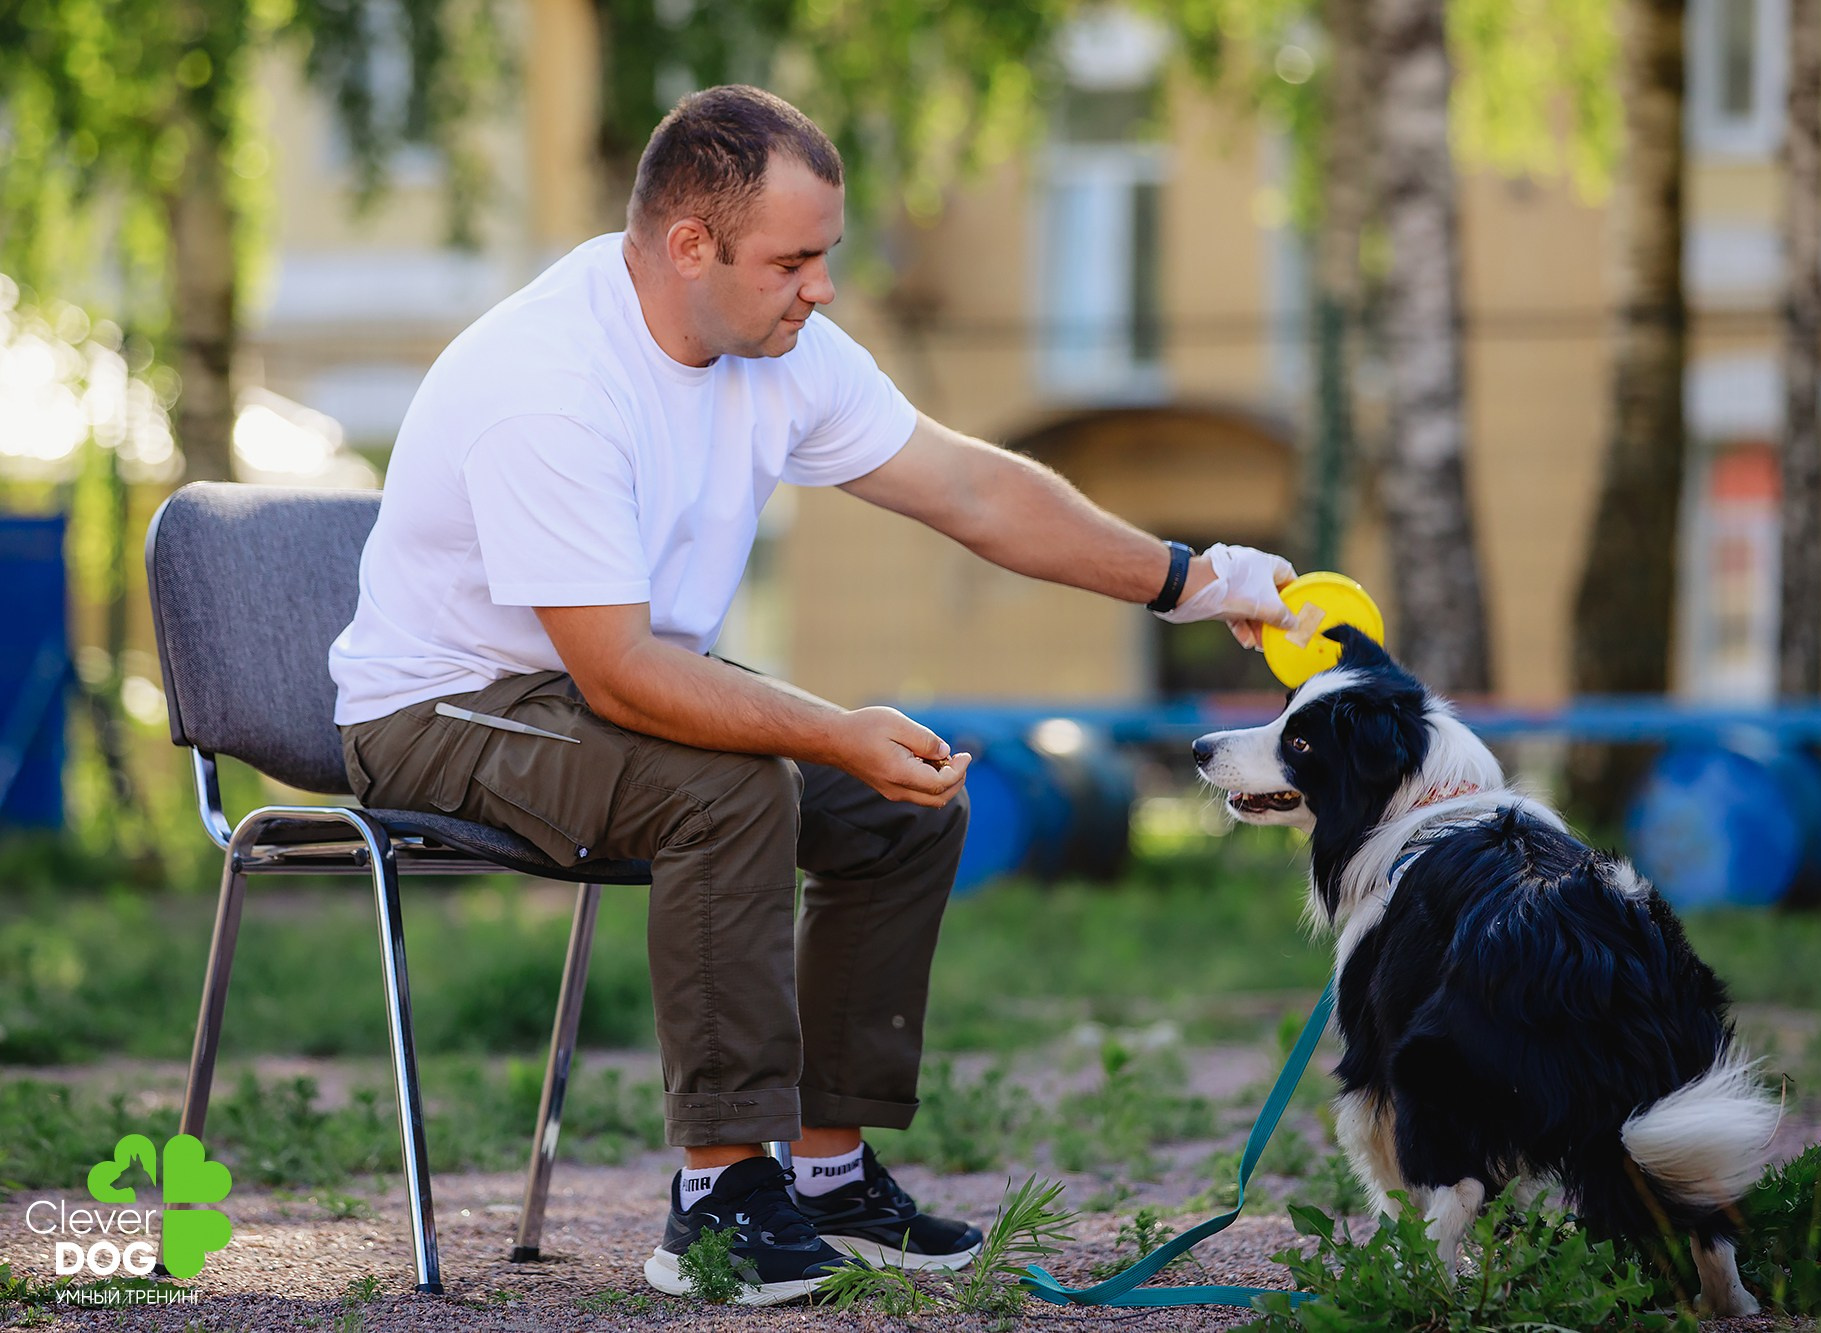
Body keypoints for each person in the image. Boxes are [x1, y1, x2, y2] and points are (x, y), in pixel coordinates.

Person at [328, 83, 1300, 1305]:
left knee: (902, 800)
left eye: (824, 256)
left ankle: (828, 1174)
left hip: (602, 682)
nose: (822, 289)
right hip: (444, 710)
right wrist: (833, 730)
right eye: (793, 263)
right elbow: (618, 672)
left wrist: (1193, 578)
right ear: (691, 245)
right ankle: (719, 1200)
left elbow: (972, 491)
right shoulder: (548, 380)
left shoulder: (773, 347)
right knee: (733, 790)